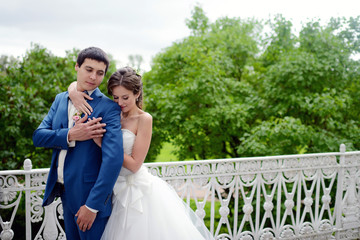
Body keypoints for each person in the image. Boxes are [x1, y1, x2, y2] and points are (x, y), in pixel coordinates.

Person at [68, 66, 213, 239]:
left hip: (135, 190)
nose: (120, 103)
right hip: (110, 187)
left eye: (125, 97)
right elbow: (80, 86)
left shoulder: (144, 119)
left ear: (137, 94)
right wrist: (72, 91)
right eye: (115, 97)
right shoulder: (112, 113)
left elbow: (135, 164)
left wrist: (103, 145)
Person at [33, 47, 124, 240]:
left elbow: (113, 160)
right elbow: (38, 136)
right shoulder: (60, 100)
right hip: (64, 192)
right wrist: (70, 134)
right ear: (77, 67)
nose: (93, 77)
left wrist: (93, 205)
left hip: (90, 198)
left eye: (100, 73)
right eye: (88, 69)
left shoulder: (109, 108)